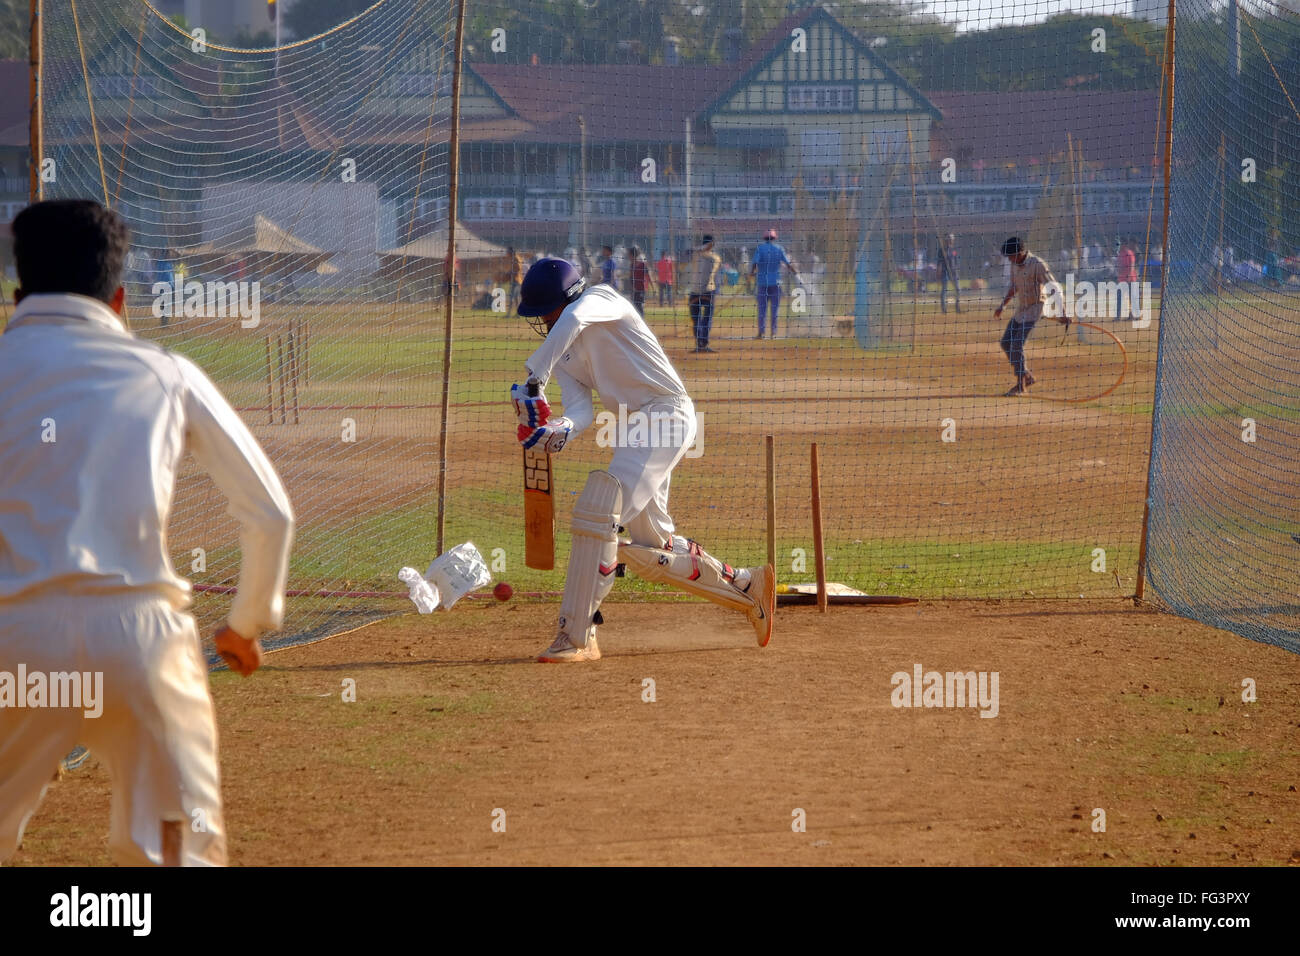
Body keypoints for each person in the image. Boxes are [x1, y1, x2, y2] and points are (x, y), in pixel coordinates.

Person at [0, 200, 294, 866]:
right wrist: (245, 625)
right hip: (141, 642)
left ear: (17, 295)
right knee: (175, 851)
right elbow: (271, 513)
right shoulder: (167, 372)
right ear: (121, 297)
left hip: (13, 643)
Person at [510, 258, 775, 662]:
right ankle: (748, 586)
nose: (543, 321)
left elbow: (575, 320)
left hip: (667, 413)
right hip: (636, 428)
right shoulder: (561, 353)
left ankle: (576, 636)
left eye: (546, 311)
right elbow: (579, 410)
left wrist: (534, 377)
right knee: (654, 546)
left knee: (600, 513)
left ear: (564, 301)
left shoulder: (601, 300)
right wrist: (556, 432)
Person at [993, 236, 1068, 397]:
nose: (1010, 260)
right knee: (1006, 343)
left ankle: (1021, 385)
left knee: (1017, 345)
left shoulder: (1037, 264)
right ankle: (1026, 375)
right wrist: (1003, 305)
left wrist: (1063, 312)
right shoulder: (1014, 265)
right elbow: (1014, 287)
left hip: (1035, 309)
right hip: (1021, 310)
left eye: (1011, 256)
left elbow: (1054, 288)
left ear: (1020, 252)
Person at [750, 229, 799, 339]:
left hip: (762, 282)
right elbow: (787, 263)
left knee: (762, 309)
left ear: (764, 238)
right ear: (774, 238)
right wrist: (795, 271)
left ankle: (761, 333)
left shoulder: (760, 248)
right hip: (776, 282)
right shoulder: (779, 248)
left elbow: (755, 263)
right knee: (775, 308)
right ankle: (774, 333)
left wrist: (752, 273)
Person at [687, 234, 722, 353]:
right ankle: (702, 344)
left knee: (698, 320)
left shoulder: (697, 255)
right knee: (705, 319)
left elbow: (689, 252)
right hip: (708, 291)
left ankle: (701, 344)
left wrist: (699, 248)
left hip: (697, 292)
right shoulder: (715, 257)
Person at [626, 245, 654, 317]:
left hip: (641, 289)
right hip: (634, 290)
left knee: (639, 305)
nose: (628, 256)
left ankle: (642, 320)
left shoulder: (642, 265)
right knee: (635, 306)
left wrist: (653, 287)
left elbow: (648, 275)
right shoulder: (632, 265)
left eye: (629, 254)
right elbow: (630, 277)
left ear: (632, 255)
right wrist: (631, 287)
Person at [937, 233, 961, 315]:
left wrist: (956, 269)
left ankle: (957, 308)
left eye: (951, 239)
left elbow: (956, 261)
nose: (950, 241)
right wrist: (939, 273)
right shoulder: (942, 250)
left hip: (954, 272)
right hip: (945, 272)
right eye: (949, 240)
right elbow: (939, 263)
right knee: (944, 290)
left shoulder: (954, 250)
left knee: (958, 290)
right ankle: (944, 309)